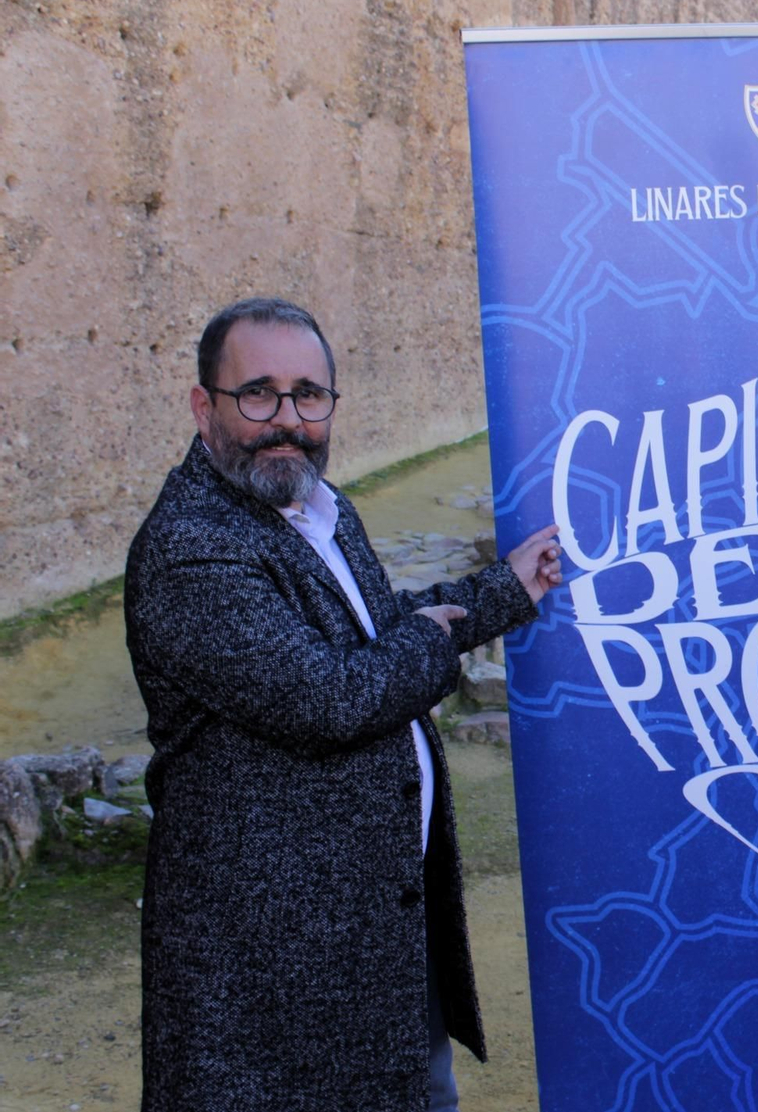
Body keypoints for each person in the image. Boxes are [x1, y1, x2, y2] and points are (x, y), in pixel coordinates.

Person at [124, 297, 563, 1111]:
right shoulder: (192, 547)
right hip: (268, 971)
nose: (287, 419)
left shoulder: (320, 512)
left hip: (371, 938)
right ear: (202, 405)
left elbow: (375, 630)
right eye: (257, 393)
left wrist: (507, 588)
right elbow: (329, 697)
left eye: (309, 395)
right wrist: (431, 643)